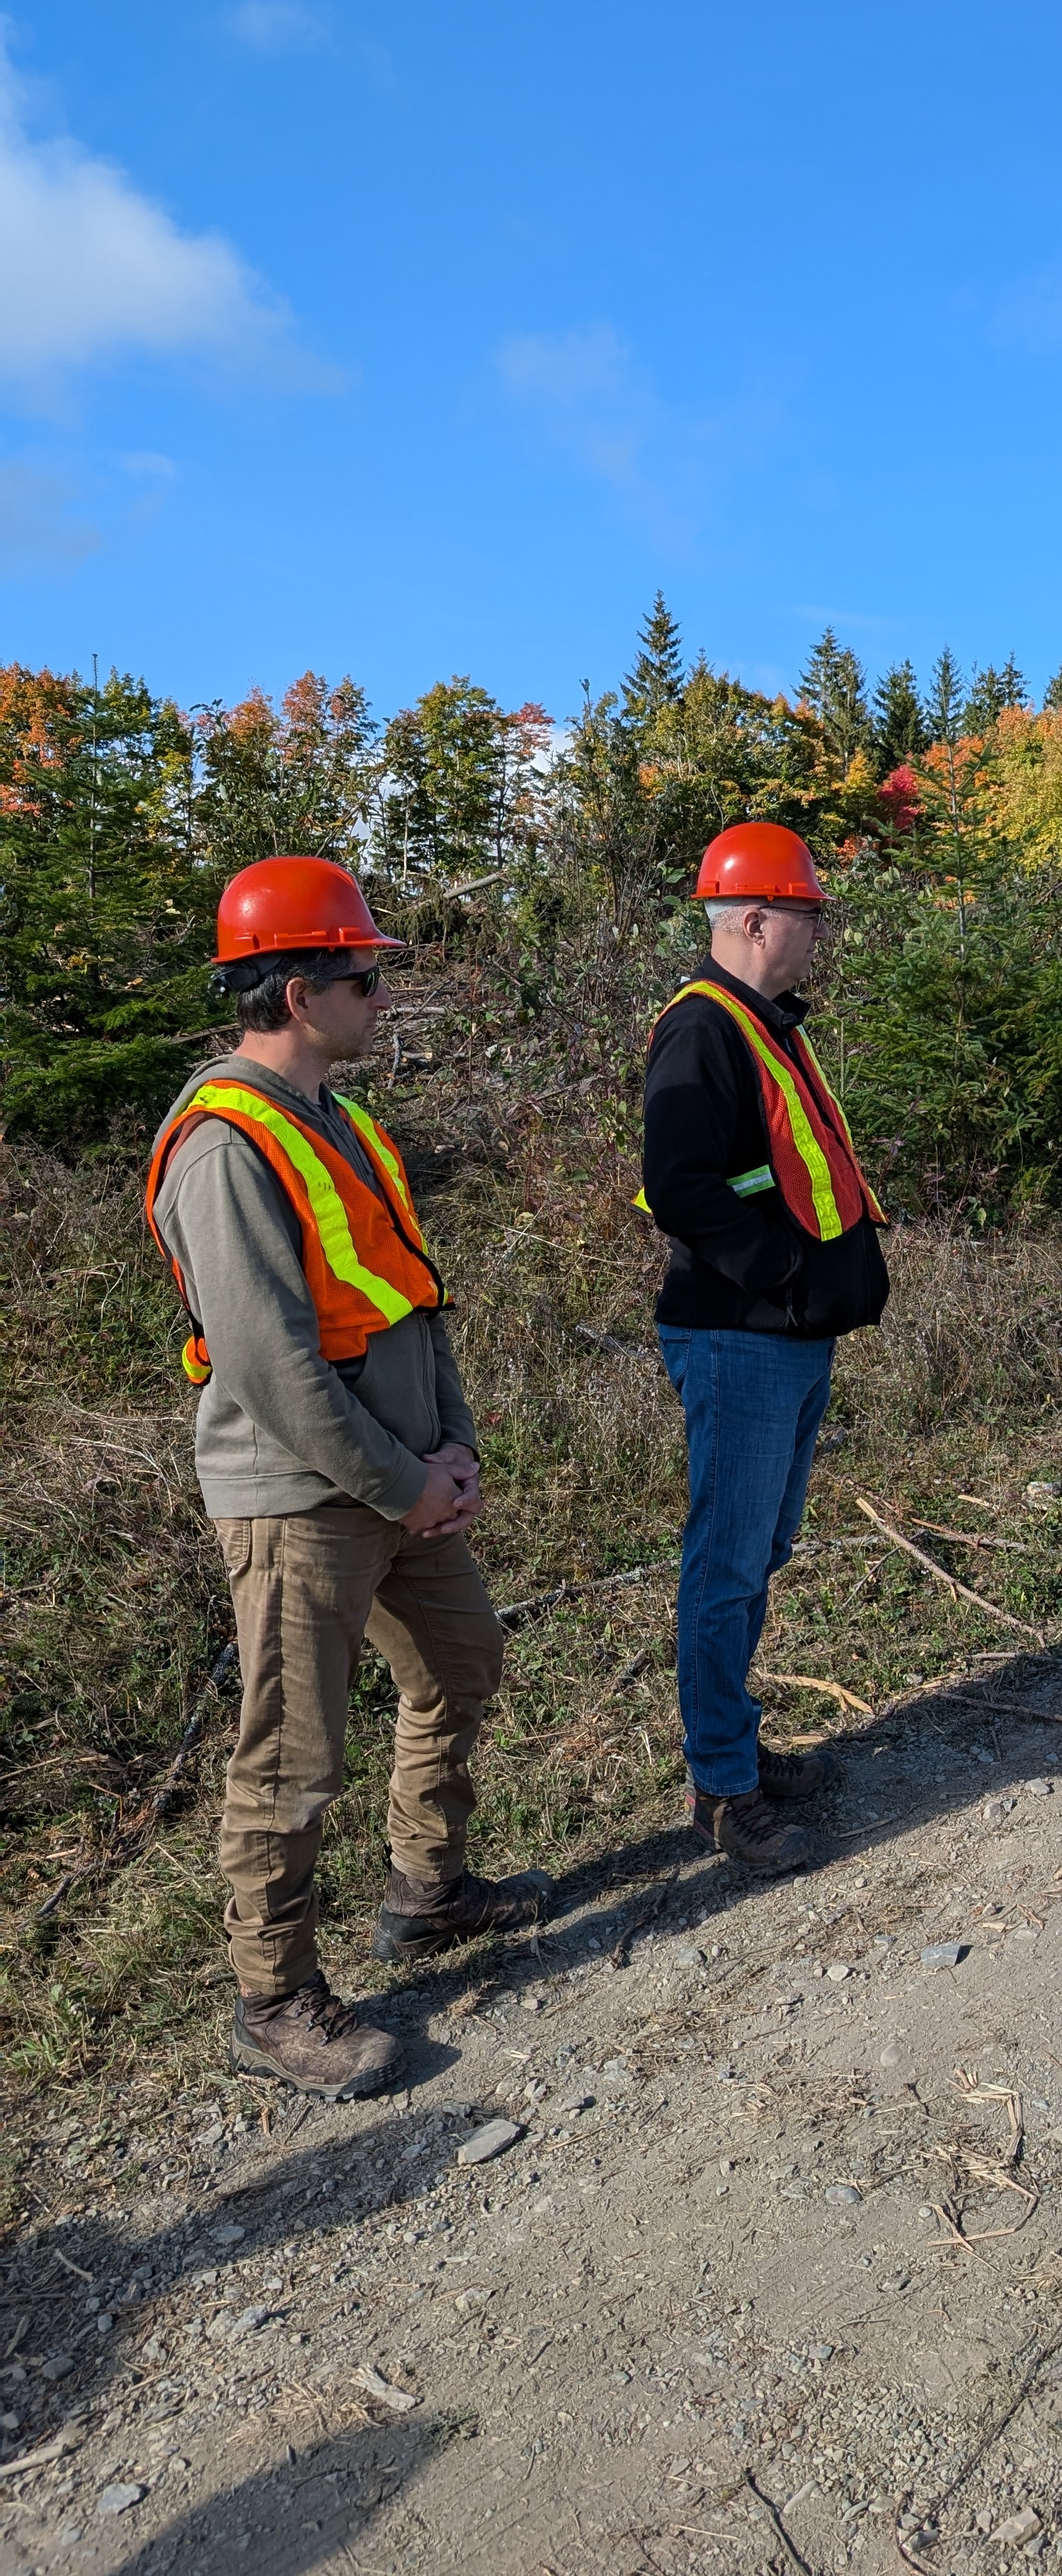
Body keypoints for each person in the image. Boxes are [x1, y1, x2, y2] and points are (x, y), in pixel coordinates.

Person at [145, 857, 549, 2102]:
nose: (383, 996)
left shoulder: (342, 1121)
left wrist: (454, 1447)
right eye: (365, 977)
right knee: (292, 1755)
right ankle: (273, 2001)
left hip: (401, 1480)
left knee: (461, 1662)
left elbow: (411, 1301)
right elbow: (268, 1365)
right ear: (296, 992)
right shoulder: (226, 1146)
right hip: (299, 1498)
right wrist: (400, 1480)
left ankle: (428, 1890)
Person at [639, 822, 891, 1871]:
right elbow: (680, 1188)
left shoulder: (762, 1023)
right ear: (753, 919)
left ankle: (731, 1749)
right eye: (806, 914)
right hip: (741, 1335)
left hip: (783, 1336)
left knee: (760, 1553)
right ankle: (722, 1788)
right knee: (729, 1563)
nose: (818, 932)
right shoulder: (704, 1029)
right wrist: (787, 1274)